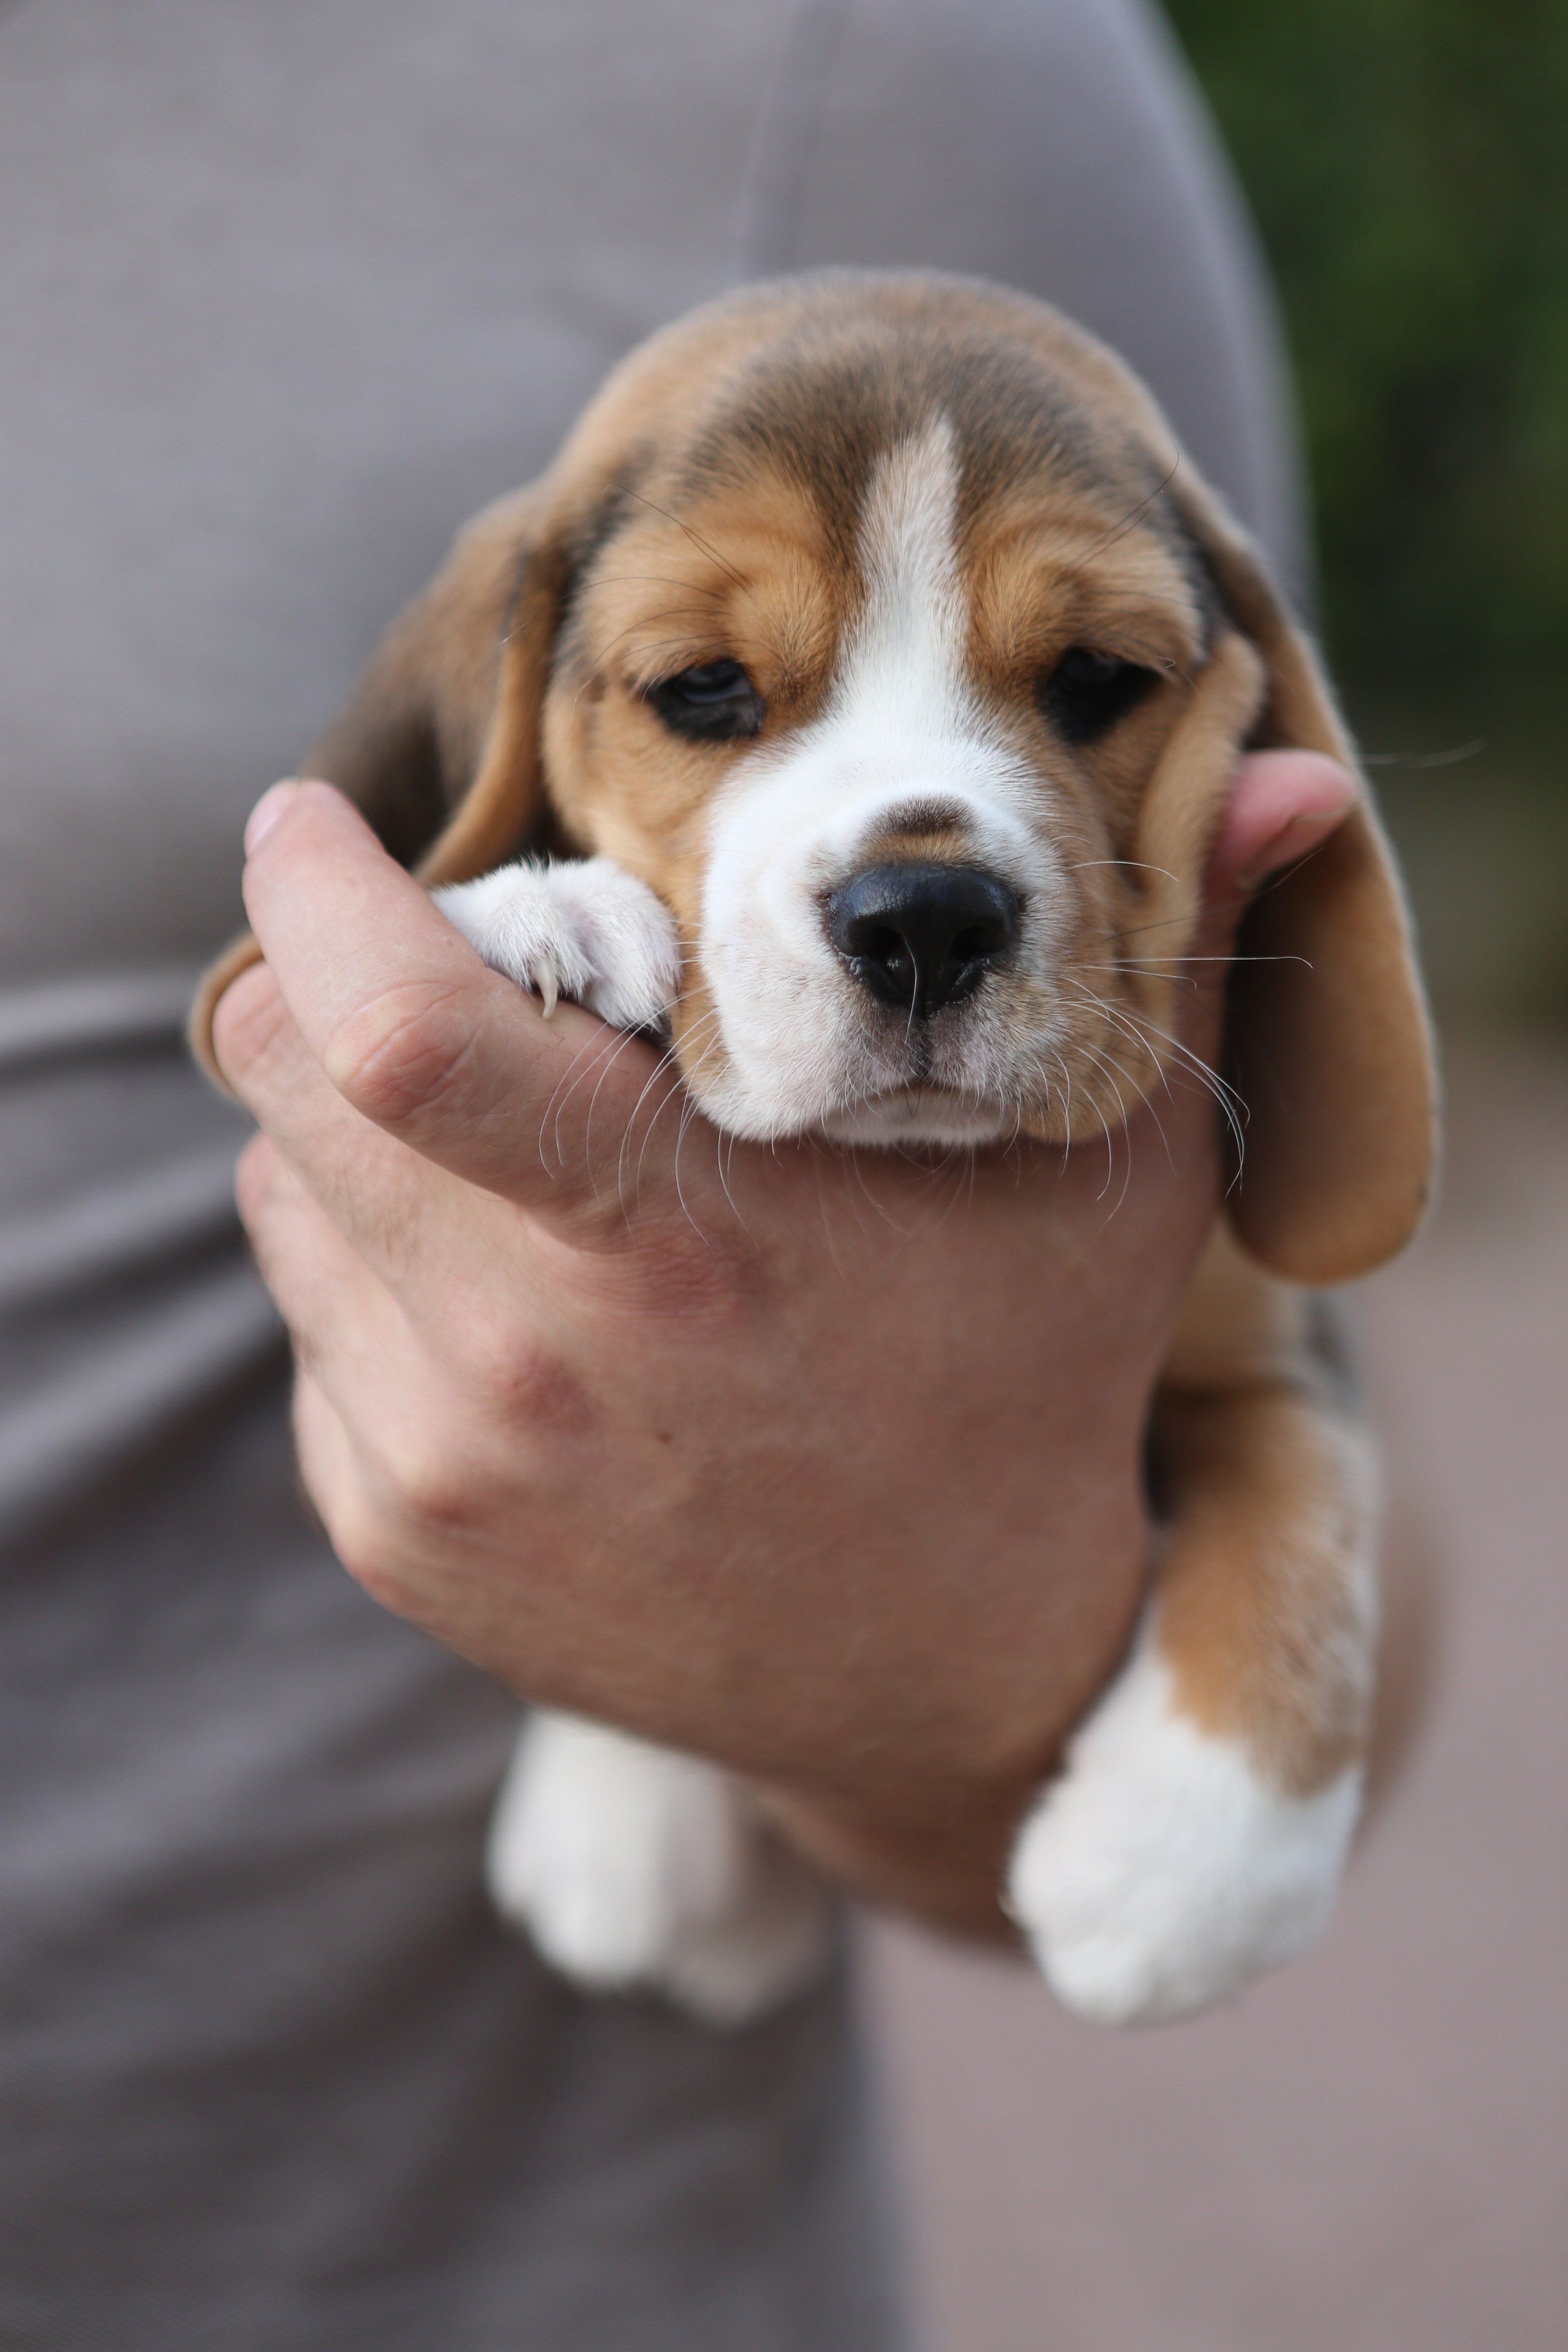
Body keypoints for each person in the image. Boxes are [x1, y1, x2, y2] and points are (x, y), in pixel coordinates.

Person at [0, 4, 1340, 2343]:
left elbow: (1285, 1387)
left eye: (1090, 677)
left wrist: (843, 1689)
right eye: (713, 694)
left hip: (502, 2245)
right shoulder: (517, 693)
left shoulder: (896, 62)